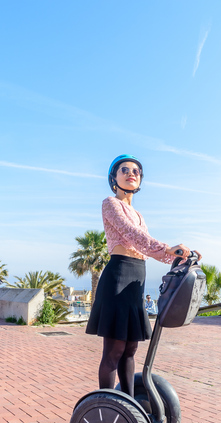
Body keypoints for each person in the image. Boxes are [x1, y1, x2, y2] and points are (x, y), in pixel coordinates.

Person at [85, 155, 200, 398]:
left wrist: (179, 258)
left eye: (136, 171)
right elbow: (132, 235)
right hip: (119, 276)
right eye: (124, 170)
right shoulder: (110, 203)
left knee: (130, 350)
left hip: (137, 279)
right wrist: (168, 248)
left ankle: (129, 402)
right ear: (113, 178)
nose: (131, 173)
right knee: (113, 351)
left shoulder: (139, 214)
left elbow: (145, 248)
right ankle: (106, 405)